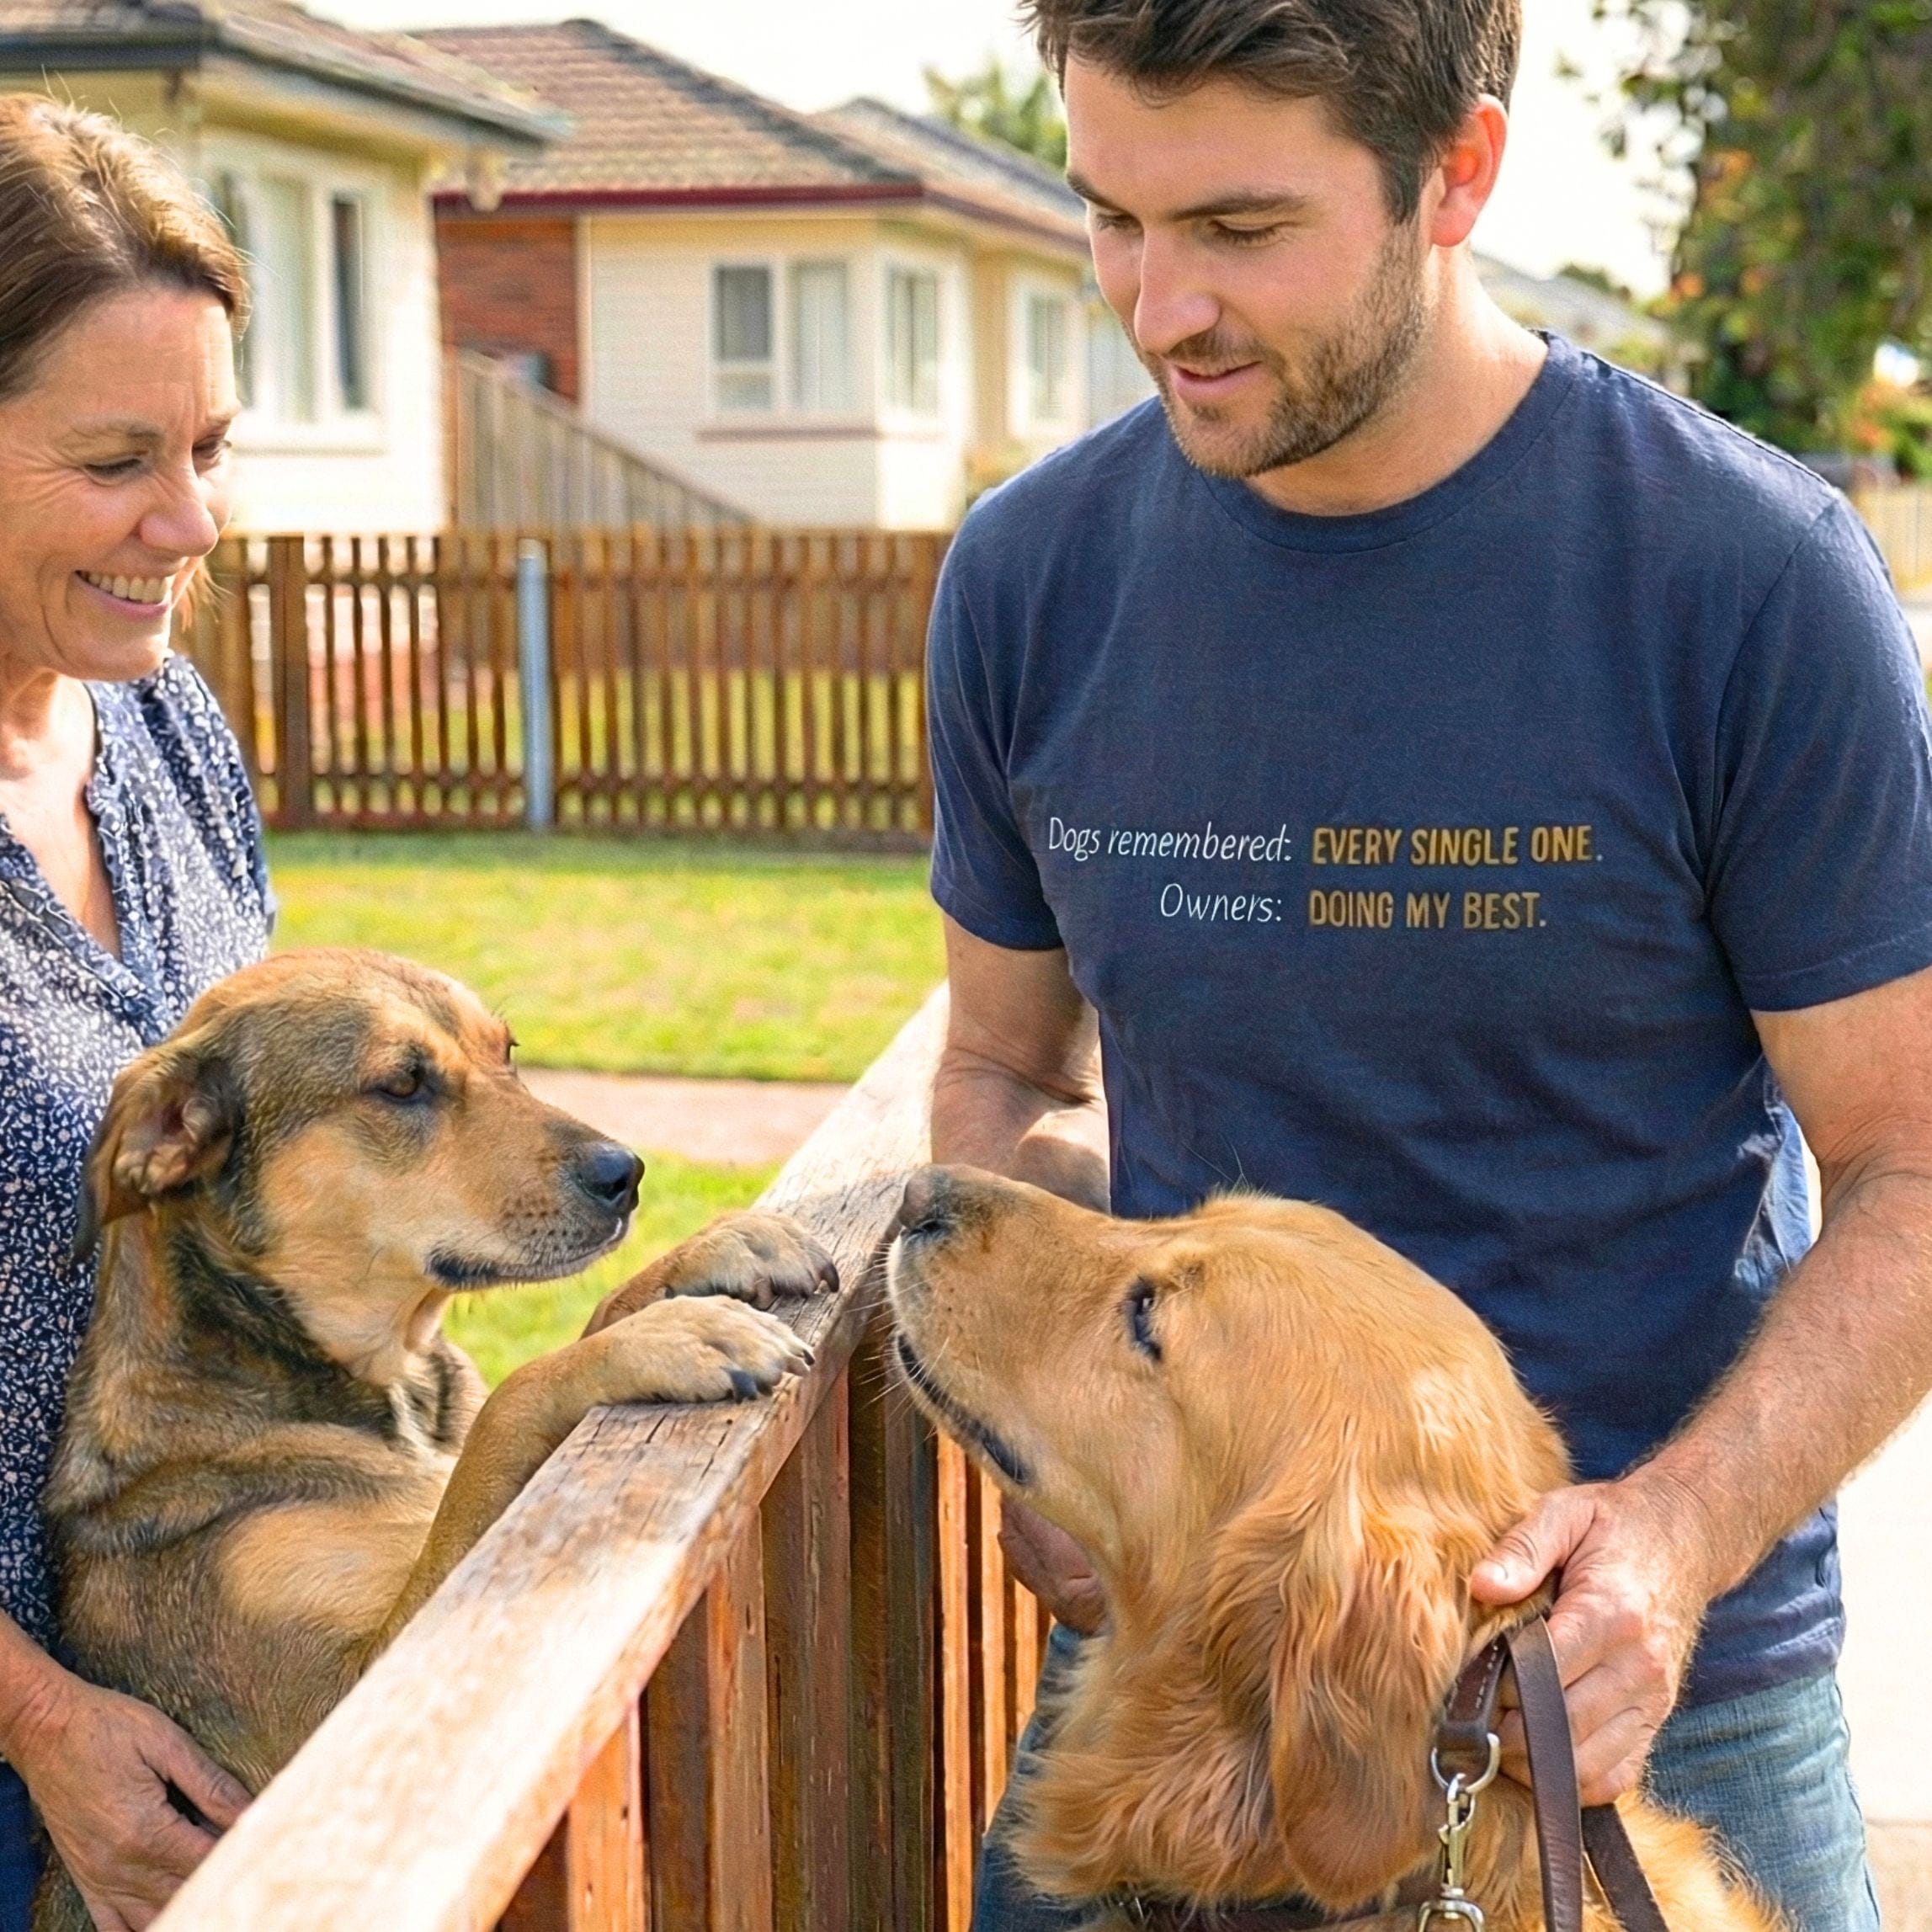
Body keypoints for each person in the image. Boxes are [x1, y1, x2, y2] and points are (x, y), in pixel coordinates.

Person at [926, 3, 1932, 1929]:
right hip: (1178, 1714)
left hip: (1646, 1705)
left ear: (1454, 174)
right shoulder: (1028, 580)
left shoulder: (1739, 580)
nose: (1154, 309)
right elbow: (1002, 1074)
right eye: (1108, 218)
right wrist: (1044, 1416)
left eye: (1236, 229)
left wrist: (1672, 1537)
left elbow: (1908, 1163)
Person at [0, 97, 270, 1932]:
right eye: (117, 461)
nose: (189, 520)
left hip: (186, 1703)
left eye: (208, 444)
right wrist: (41, 1724)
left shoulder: (171, 733)